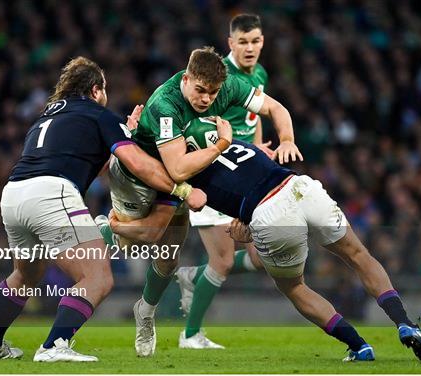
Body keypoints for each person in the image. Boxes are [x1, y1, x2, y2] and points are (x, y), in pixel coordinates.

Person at [109, 120, 421, 362]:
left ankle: (358, 346)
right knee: (358, 254)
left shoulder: (179, 172)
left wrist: (119, 224)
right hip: (301, 187)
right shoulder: (232, 142)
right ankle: (405, 323)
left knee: (295, 287)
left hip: (270, 213)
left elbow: (169, 211)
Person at [0, 56, 206, 363]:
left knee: (25, 275)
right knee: (98, 278)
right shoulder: (99, 115)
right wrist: (183, 189)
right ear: (96, 90)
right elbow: (134, 163)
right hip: (51, 194)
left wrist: (128, 134)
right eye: (104, 89)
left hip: (14, 194)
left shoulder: (46, 116)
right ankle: (55, 345)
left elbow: (85, 160)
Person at [107, 46, 302, 357]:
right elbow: (176, 168)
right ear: (186, 79)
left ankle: (144, 312)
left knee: (168, 256)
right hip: (140, 177)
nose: (206, 99)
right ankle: (103, 228)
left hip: (178, 181)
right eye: (199, 90)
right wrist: (223, 143)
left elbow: (276, 109)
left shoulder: (229, 86)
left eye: (212, 93)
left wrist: (287, 138)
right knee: (140, 236)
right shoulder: (165, 103)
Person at [176, 13, 274, 349]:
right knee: (223, 260)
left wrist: (259, 145)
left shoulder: (259, 74)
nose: (250, 48)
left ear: (262, 42)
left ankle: (195, 276)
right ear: (230, 43)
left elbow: (255, 117)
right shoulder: (218, 77)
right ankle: (190, 335)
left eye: (256, 41)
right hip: (215, 172)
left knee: (263, 257)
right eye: (243, 42)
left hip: (246, 171)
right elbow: (198, 117)